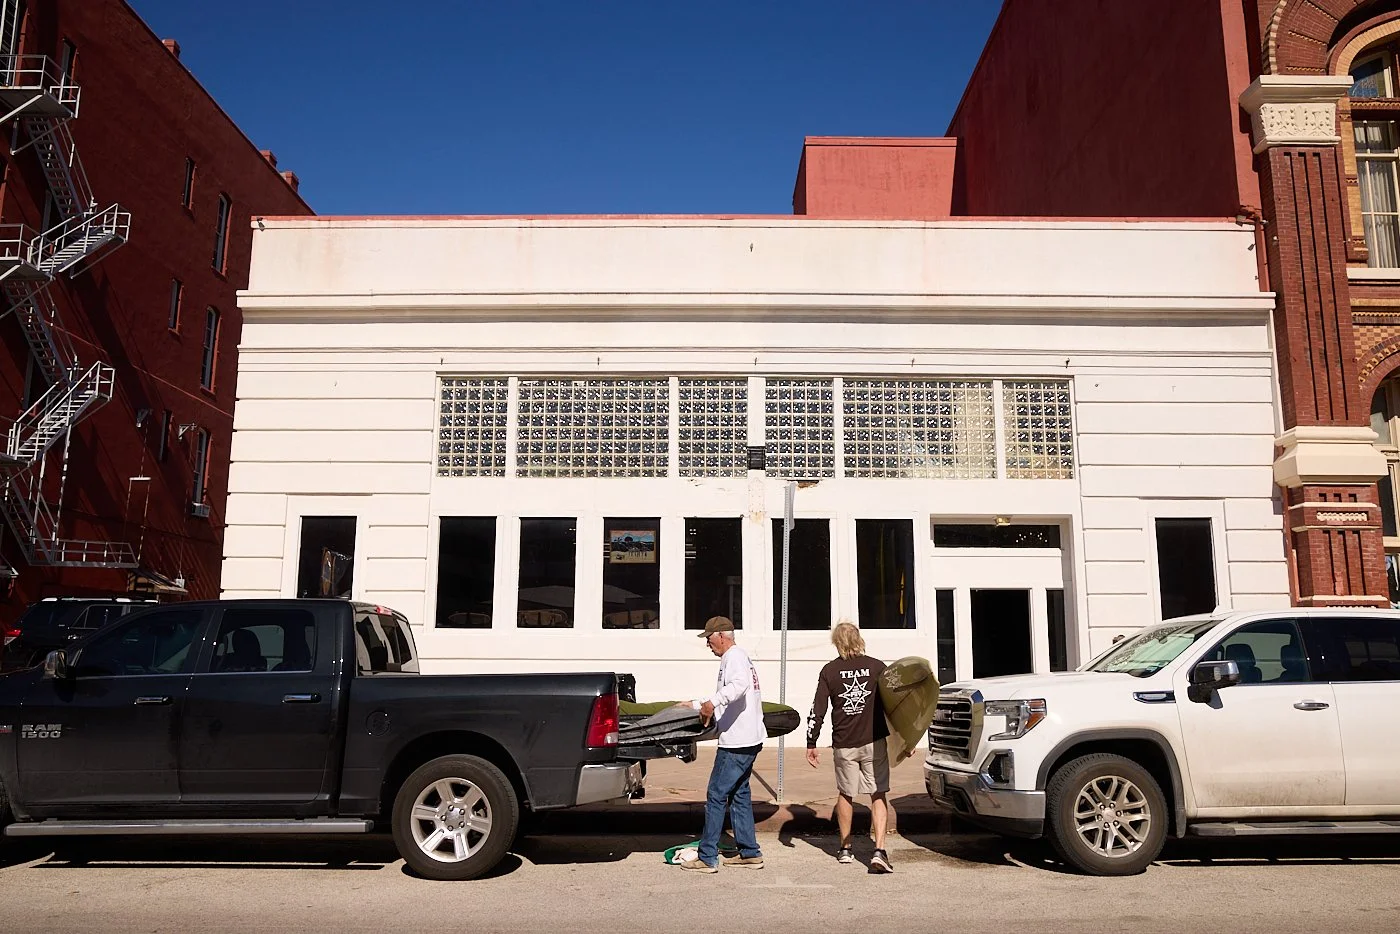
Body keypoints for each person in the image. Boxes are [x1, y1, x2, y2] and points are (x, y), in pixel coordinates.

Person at [676, 616, 766, 874]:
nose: (708, 644)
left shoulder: (734, 657)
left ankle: (707, 857)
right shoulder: (739, 657)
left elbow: (737, 687)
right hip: (748, 738)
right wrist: (695, 703)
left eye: (709, 638)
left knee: (716, 795)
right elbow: (733, 696)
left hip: (737, 743)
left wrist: (710, 703)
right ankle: (750, 852)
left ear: (722, 636)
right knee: (739, 795)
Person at [805, 621, 892, 873]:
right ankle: (879, 850)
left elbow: (817, 710)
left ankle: (845, 848)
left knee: (846, 793)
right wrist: (905, 739)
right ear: (859, 639)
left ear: (837, 643)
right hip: (874, 741)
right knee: (878, 793)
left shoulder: (829, 671)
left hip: (844, 743)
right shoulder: (877, 667)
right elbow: (895, 705)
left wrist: (811, 741)